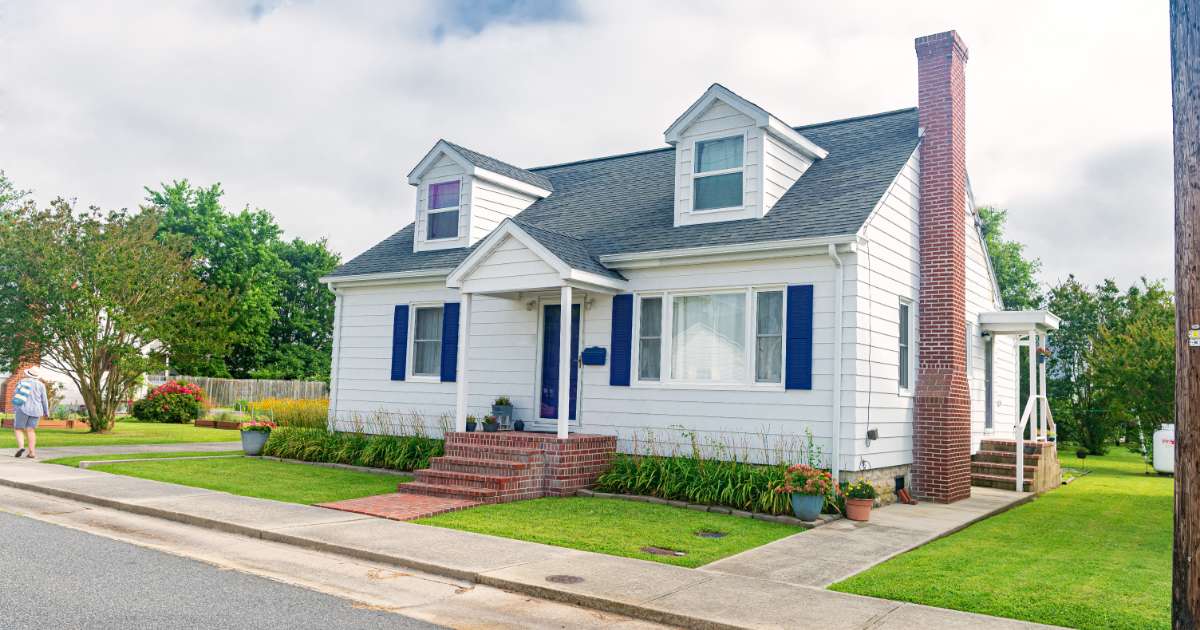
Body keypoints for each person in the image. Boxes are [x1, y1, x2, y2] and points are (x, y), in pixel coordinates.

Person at [10, 366, 49, 459]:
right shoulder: (41, 385)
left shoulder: (22, 382)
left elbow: (16, 395)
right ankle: (32, 452)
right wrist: (46, 412)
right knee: (30, 430)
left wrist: (14, 407)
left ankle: (21, 447)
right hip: (36, 410)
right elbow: (44, 400)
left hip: (23, 408)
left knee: (18, 428)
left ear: (28, 373)